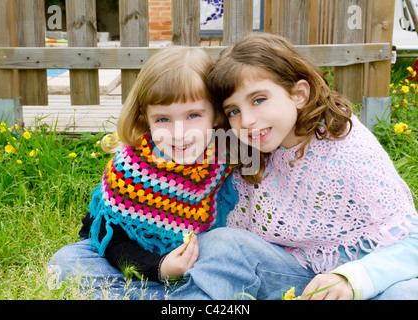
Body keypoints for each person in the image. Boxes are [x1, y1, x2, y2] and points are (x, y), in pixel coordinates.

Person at [168, 32, 418, 300]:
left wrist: (352, 278)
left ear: (298, 94)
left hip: (357, 285)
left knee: (407, 292)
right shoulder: (246, 153)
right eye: (233, 111)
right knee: (220, 242)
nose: (247, 120)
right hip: (290, 277)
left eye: (258, 99)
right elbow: (224, 239)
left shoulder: (349, 149)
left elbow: (411, 241)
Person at [48, 46, 232, 300]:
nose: (179, 132)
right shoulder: (131, 169)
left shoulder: (226, 159)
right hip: (137, 261)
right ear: (145, 117)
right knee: (67, 261)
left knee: (230, 257)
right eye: (163, 119)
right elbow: (109, 240)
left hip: (200, 260)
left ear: (216, 112)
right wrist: (159, 268)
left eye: (193, 115)